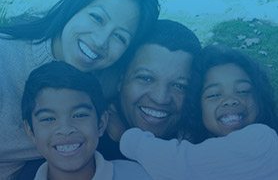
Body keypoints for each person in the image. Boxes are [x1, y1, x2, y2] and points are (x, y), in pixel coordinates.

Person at [0, 0, 159, 179]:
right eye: (97, 18)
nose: (100, 41)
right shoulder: (5, 58)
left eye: (120, 37)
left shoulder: (108, 82)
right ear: (73, 8)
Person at [119, 45, 278, 180]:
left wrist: (126, 137)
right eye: (214, 95)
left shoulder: (261, 139)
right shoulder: (204, 145)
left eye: (243, 91)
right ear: (198, 107)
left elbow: (180, 164)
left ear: (260, 98)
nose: (230, 100)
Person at [21, 61, 153, 180]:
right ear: (30, 131)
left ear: (101, 123)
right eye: (48, 118)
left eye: (79, 115)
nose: (66, 129)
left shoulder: (140, 175)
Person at [98, 19, 202, 160]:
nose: (160, 98)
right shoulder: (83, 147)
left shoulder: (209, 143)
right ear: (120, 79)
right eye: (146, 78)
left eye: (179, 86)